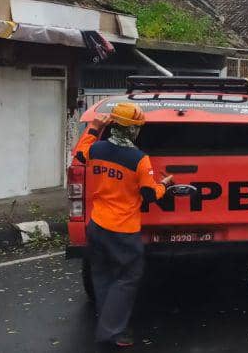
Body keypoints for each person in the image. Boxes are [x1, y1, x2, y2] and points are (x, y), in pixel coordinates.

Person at [72, 103, 172, 348]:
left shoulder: (96, 149)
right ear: (133, 130)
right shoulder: (139, 160)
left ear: (114, 125)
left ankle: (107, 323)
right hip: (123, 230)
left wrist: (94, 127)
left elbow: (79, 154)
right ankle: (111, 332)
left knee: (103, 275)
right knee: (127, 277)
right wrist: (165, 185)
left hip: (97, 225)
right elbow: (149, 195)